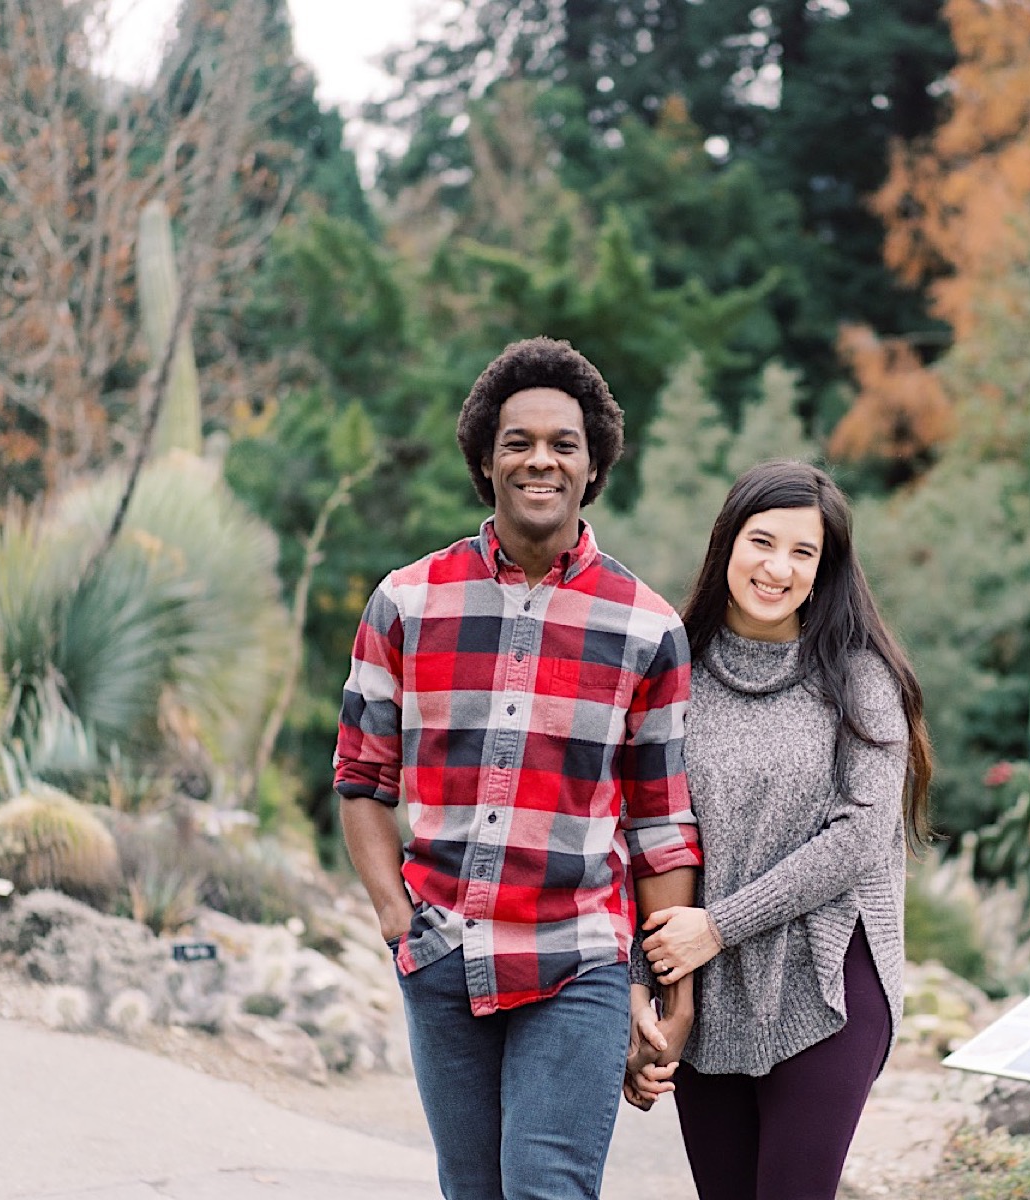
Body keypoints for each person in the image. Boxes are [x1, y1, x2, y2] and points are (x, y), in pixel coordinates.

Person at [334, 336, 702, 1200]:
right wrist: (400, 925)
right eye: (519, 442)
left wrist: (665, 993)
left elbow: (659, 824)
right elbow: (360, 779)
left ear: (593, 464)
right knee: (474, 1191)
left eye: (563, 444)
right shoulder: (407, 602)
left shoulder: (647, 629)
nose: (541, 460)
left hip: (579, 955)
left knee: (547, 1188)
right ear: (487, 460)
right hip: (443, 955)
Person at [625, 460, 934, 1200]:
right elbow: (643, 829)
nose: (778, 568)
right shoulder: (674, 672)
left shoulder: (859, 677)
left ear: (825, 570)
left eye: (804, 552)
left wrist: (720, 926)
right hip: (708, 990)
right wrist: (645, 982)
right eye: (763, 542)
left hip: (832, 978)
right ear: (727, 543)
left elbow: (859, 834)